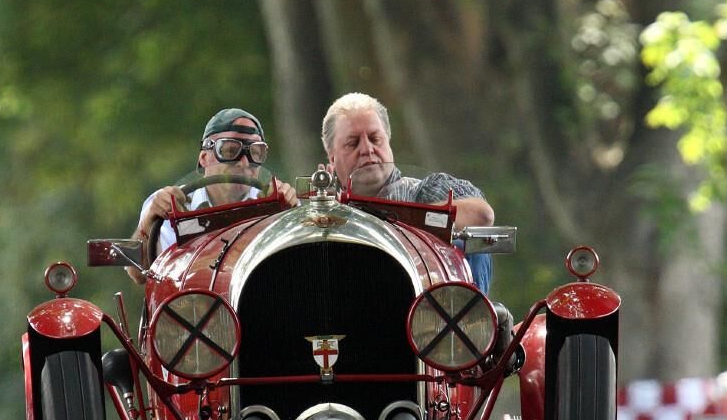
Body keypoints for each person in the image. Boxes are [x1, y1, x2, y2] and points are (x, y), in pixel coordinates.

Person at [320, 92, 495, 290]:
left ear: (388, 142)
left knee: (466, 243)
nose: (367, 149)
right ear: (332, 158)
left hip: (437, 315)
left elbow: (482, 215)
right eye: (353, 143)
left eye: (375, 138)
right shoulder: (322, 212)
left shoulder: (427, 190)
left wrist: (393, 222)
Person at [128, 108, 297, 282]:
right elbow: (138, 275)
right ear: (204, 157)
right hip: (189, 305)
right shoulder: (171, 205)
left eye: (256, 153)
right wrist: (147, 224)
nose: (244, 163)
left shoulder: (272, 204)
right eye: (230, 151)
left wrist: (285, 216)